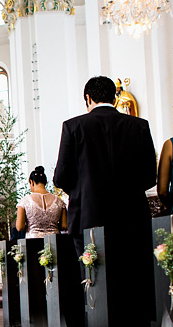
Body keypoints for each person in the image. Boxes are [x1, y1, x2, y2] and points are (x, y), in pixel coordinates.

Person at [53, 76, 157, 258]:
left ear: (88, 98)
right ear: (114, 98)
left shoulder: (73, 127)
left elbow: (61, 177)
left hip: (87, 215)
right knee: (133, 276)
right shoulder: (139, 126)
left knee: (93, 278)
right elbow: (149, 176)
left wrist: (83, 190)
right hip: (132, 216)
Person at [16, 166, 66, 237]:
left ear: (31, 182)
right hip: (55, 241)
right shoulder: (59, 201)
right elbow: (64, 226)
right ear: (45, 182)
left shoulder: (24, 201)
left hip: (33, 242)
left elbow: (19, 227)